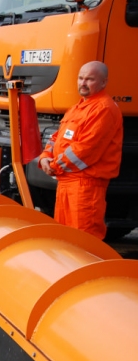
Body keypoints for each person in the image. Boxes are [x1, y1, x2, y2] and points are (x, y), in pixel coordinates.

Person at [38, 61, 123, 240]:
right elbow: (57, 137)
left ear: (103, 82)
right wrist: (45, 157)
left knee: (84, 240)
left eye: (89, 79)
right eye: (80, 78)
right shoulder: (78, 108)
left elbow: (86, 149)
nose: (83, 83)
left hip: (85, 186)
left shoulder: (103, 109)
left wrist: (54, 165)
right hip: (67, 183)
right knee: (65, 239)